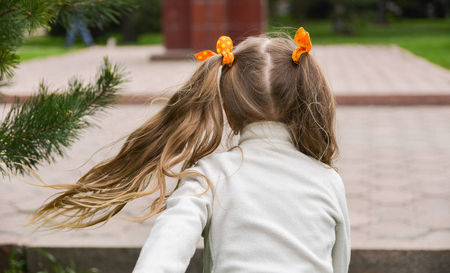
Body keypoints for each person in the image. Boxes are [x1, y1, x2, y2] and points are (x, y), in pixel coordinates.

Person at [30, 27, 351, 273]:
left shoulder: (209, 175)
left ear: (226, 106)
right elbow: (339, 264)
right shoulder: (327, 179)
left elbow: (162, 256)